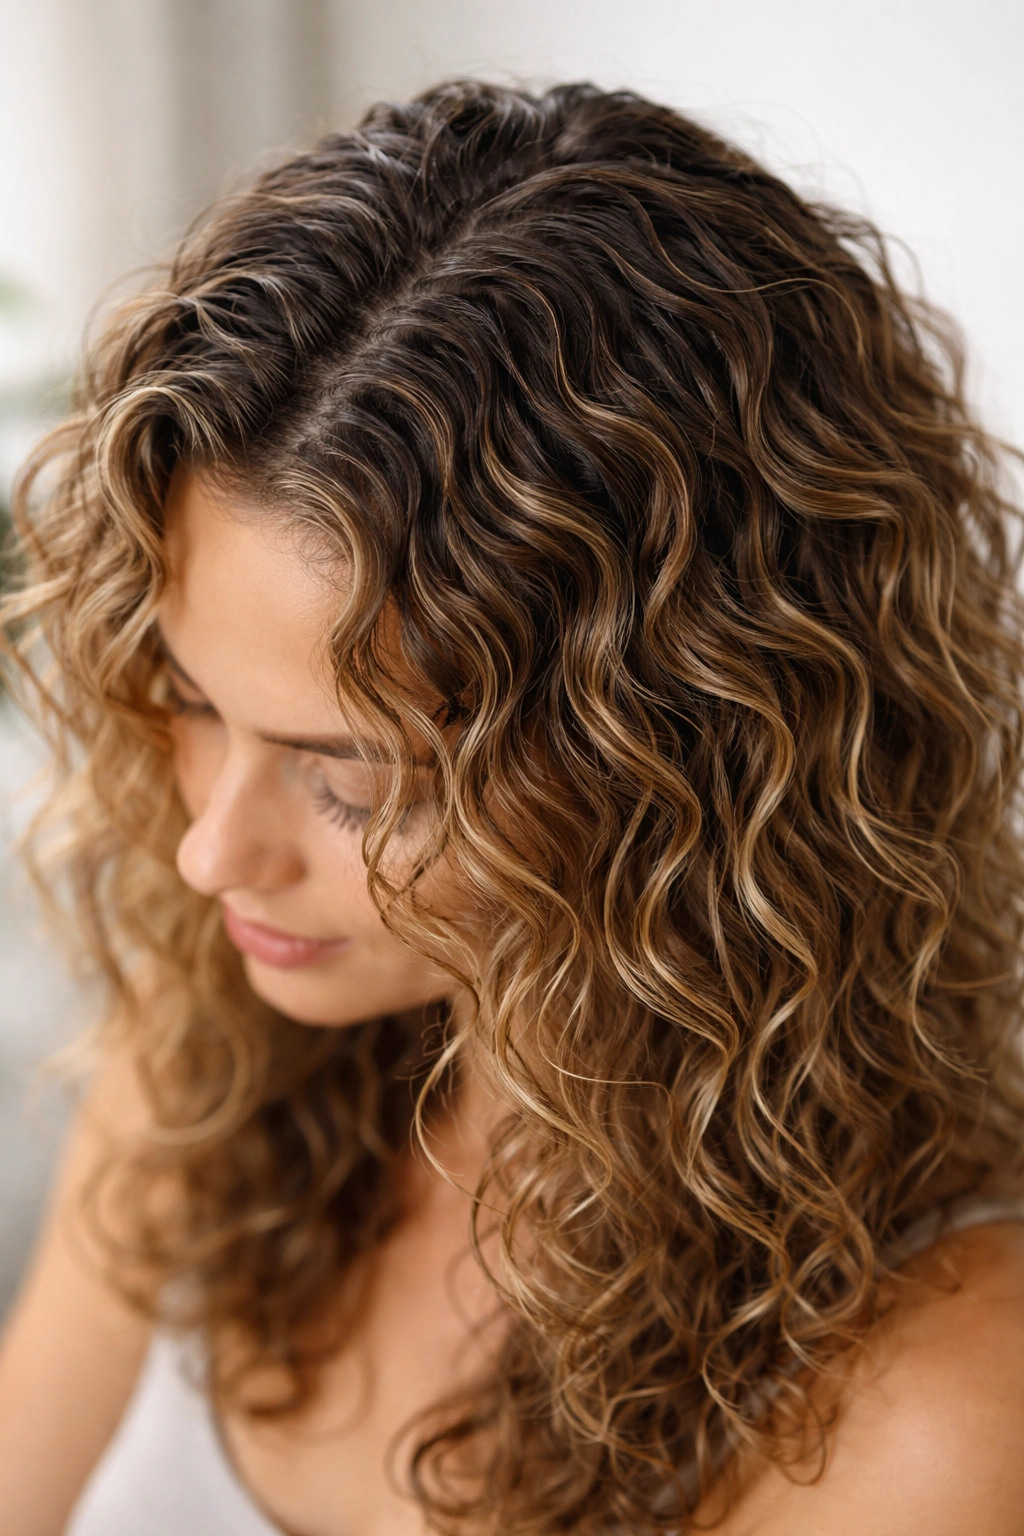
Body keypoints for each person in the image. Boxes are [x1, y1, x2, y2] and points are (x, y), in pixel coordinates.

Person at [1, 79, 1024, 1536]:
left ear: (680, 768)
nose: (210, 849)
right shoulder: (209, 1087)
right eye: (188, 700)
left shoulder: (941, 1398)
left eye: (351, 781)